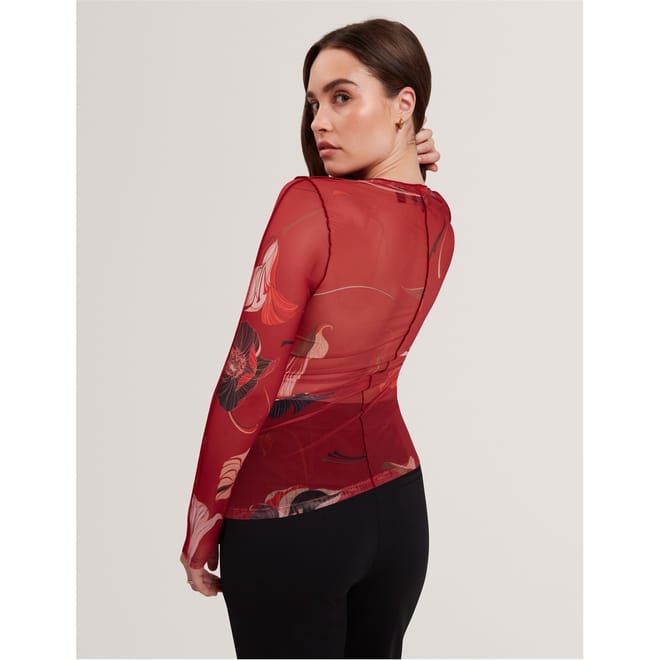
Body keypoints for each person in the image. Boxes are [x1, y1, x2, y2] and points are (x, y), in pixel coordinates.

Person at [180, 18, 455, 659]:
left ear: (404, 103)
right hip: (398, 512)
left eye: (341, 97)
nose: (319, 122)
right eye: (313, 103)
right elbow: (385, 215)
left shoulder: (308, 203)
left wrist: (200, 525)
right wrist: (410, 153)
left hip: (291, 522)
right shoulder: (438, 218)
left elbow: (246, 382)